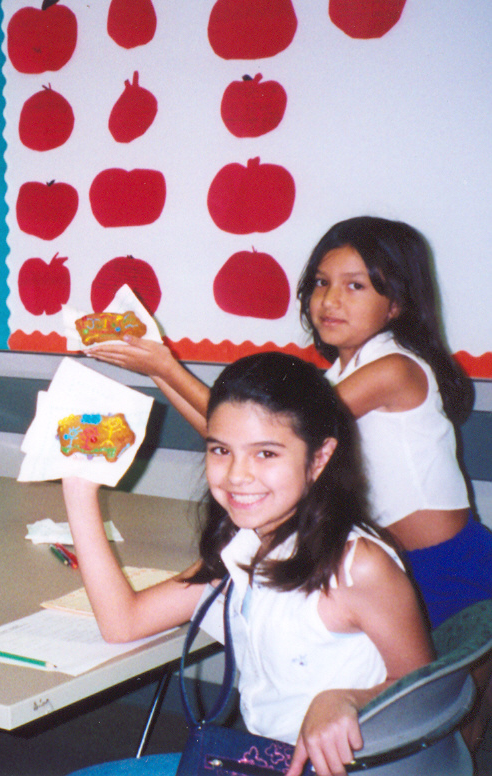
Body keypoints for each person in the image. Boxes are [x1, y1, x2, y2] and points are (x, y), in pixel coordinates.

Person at [86, 216, 492, 629]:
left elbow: (256, 430)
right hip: (384, 564)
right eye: (320, 283)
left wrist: (167, 367)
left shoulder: (395, 369)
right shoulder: (336, 375)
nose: (330, 300)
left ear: (397, 303)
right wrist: (158, 370)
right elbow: (236, 435)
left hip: (444, 567)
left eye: (355, 285)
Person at [62, 352, 432, 776]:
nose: (237, 475)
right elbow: (123, 622)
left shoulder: (356, 566)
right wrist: (79, 490)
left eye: (266, 454)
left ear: (319, 458)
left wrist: (348, 698)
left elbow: (424, 690)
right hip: (264, 758)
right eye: (221, 449)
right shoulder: (246, 548)